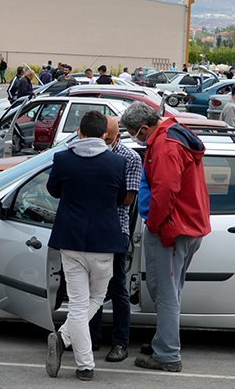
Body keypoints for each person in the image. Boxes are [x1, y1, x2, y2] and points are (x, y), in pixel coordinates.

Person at [121, 102, 211, 373]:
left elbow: (165, 191)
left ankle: (168, 354)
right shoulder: (174, 134)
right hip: (187, 226)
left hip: (173, 229)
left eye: (134, 132)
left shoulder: (165, 145)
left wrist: (156, 225)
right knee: (169, 290)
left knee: (165, 293)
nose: (134, 137)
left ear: (145, 128)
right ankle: (163, 343)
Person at [45, 111, 127, 381]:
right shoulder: (116, 163)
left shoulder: (62, 158)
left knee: (79, 303)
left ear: (79, 132)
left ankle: (75, 352)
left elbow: (53, 191)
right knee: (96, 298)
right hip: (104, 242)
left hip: (70, 239)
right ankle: (79, 358)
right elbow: (118, 198)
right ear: (105, 135)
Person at [88, 116, 142, 362]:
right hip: (92, 228)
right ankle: (91, 337)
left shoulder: (129, 159)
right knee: (92, 287)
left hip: (116, 229)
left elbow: (128, 200)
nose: (103, 142)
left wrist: (96, 196)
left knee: (117, 287)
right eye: (101, 138)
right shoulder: (91, 153)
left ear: (117, 137)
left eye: (107, 139)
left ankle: (120, 342)